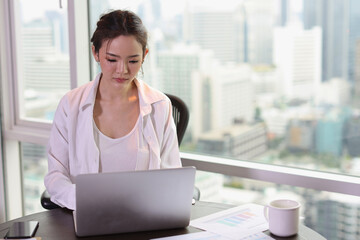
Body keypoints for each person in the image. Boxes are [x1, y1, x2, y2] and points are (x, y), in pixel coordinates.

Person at [44, 10, 181, 210]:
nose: (122, 70)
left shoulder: (160, 106)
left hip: (144, 217)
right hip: (87, 215)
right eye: (112, 59)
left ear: (144, 56)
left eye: (133, 61)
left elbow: (172, 175)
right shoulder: (71, 105)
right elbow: (56, 176)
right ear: (95, 53)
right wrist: (84, 202)